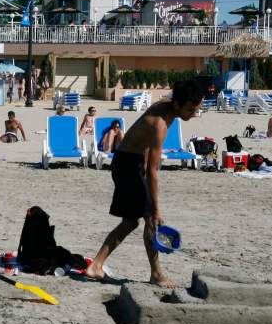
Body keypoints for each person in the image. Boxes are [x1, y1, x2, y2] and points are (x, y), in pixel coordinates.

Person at [84, 78, 205, 286]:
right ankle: (155, 274)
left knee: (132, 221)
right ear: (177, 105)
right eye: (191, 109)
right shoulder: (160, 124)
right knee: (149, 219)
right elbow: (153, 171)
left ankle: (96, 266)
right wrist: (156, 208)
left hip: (131, 163)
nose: (194, 114)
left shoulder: (166, 110)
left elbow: (146, 151)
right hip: (128, 165)